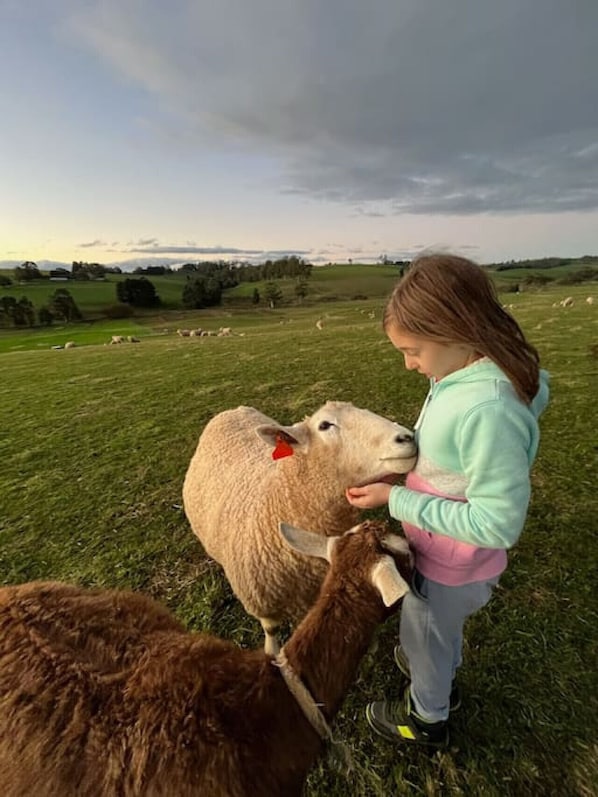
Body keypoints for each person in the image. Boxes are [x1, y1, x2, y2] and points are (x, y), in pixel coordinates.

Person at [345, 253, 550, 748]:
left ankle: (428, 717)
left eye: (412, 350)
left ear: (455, 329)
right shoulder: (465, 375)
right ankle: (437, 663)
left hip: (449, 566)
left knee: (427, 633)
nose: (408, 363)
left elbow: (498, 524)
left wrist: (398, 500)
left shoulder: (488, 406)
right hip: (445, 552)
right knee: (434, 634)